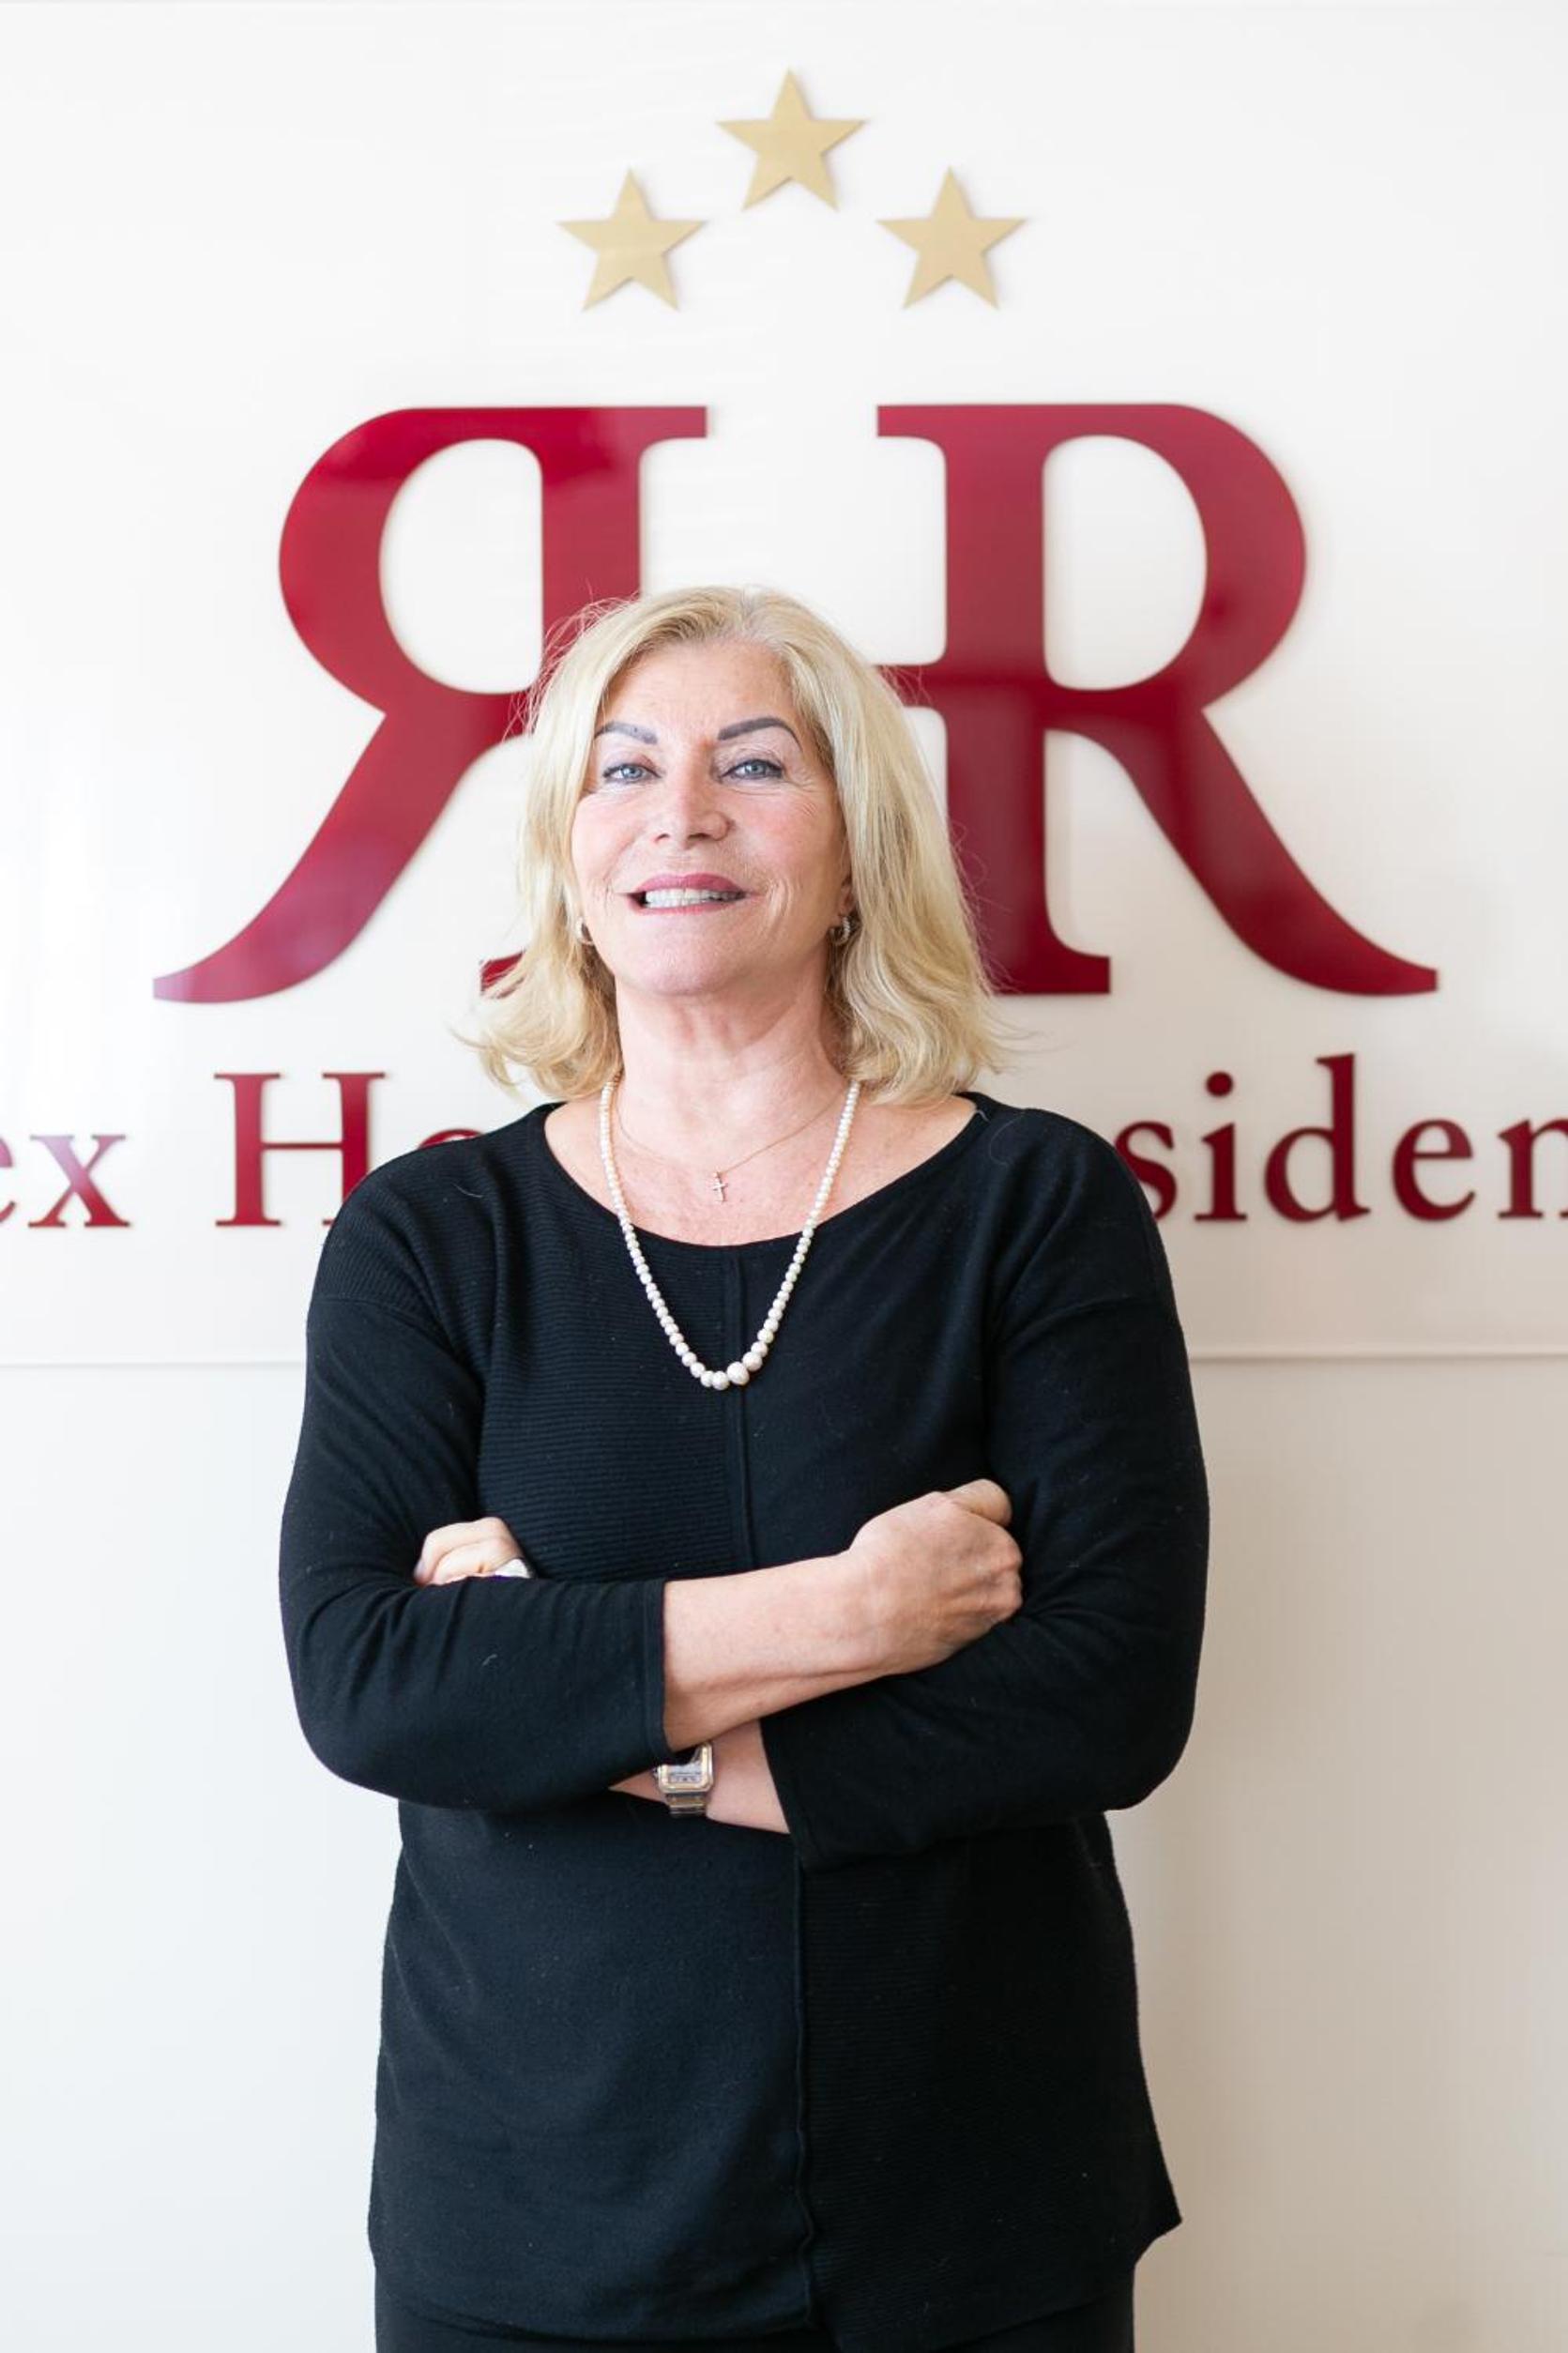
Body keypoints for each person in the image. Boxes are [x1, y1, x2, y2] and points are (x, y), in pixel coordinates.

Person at [278, 584, 1210, 2353]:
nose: (681, 813)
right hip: (532, 2216)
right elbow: (372, 1682)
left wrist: (578, 1701)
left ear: (858, 853)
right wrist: (856, 1614)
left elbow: (1106, 1702)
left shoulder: (1037, 1207)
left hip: (972, 2204)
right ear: (568, 856)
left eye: (755, 764)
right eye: (623, 768)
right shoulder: (434, 1237)